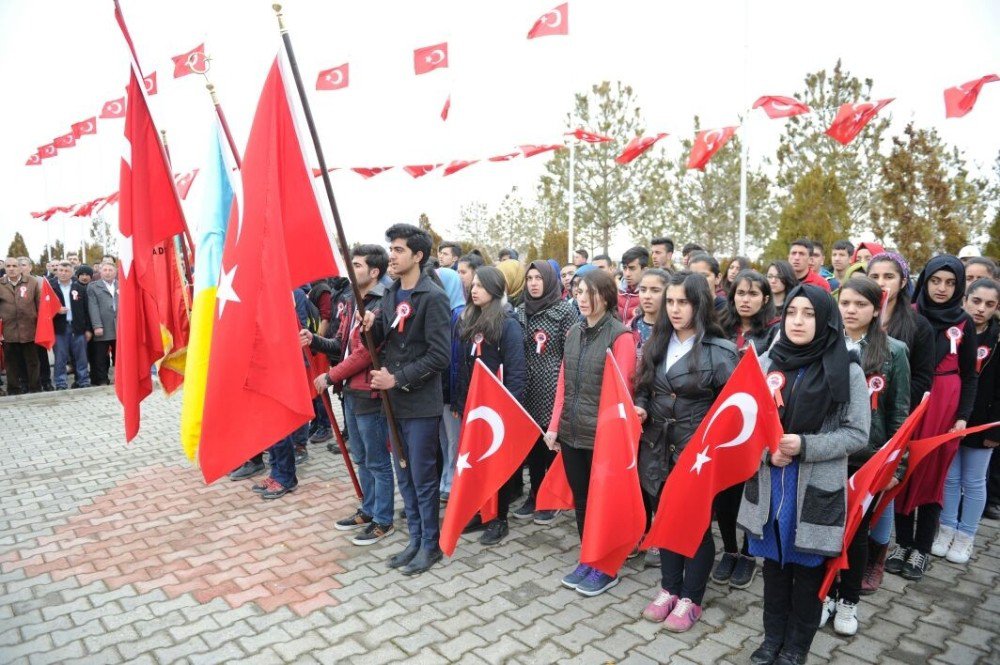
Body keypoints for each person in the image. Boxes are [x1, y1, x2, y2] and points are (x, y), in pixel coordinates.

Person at [739, 284, 870, 665]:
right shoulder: (765, 362)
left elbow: (857, 433)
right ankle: (771, 640)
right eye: (792, 312)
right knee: (775, 571)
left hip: (813, 489)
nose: (797, 321)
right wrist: (767, 453)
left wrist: (806, 446)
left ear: (826, 318)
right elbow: (744, 425)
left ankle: (796, 648)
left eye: (809, 314)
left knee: (808, 575)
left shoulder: (847, 369)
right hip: (769, 485)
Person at [635, 272, 738, 632]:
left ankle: (691, 597)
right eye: (671, 302)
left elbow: (733, 408)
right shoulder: (656, 342)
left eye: (684, 302)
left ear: (700, 304)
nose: (676, 309)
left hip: (697, 456)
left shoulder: (720, 351)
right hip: (656, 448)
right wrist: (641, 406)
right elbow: (643, 385)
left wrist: (709, 443)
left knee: (694, 527)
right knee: (664, 519)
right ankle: (669, 589)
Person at [820, 277, 909, 637]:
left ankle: (848, 600)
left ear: (876, 309)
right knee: (826, 529)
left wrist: (896, 466)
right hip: (828, 453)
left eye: (861, 304)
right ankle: (826, 593)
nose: (852, 310)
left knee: (855, 533)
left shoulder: (895, 351)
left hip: (869, 458)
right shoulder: (826, 343)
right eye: (846, 303)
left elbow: (900, 414)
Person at [364, 223, 451, 576]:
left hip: (419, 403)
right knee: (404, 476)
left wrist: (397, 378)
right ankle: (414, 539)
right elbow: (388, 337)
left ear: (417, 255)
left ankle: (431, 545)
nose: (392, 256)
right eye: (391, 249)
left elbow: (440, 356)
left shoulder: (433, 297)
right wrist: (371, 323)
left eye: (398, 250)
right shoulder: (391, 294)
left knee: (422, 476)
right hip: (392, 403)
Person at [544, 269, 637, 596]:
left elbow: (622, 393)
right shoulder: (573, 333)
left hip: (603, 438)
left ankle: (606, 566)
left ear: (607, 296)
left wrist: (611, 437)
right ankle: (589, 556)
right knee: (583, 500)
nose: (582, 298)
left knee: (603, 502)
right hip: (571, 432)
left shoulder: (620, 337)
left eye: (589, 292)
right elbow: (563, 384)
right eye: (578, 292)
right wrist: (554, 425)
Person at [889, 256, 977, 582]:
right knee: (904, 470)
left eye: (950, 282)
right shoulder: (909, 316)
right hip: (912, 400)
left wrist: (963, 417)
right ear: (924, 281)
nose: (941, 288)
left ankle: (922, 548)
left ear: (958, 287)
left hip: (945, 407)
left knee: (933, 474)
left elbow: (970, 376)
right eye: (935, 281)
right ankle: (903, 544)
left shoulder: (965, 323)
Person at [306, 244, 395, 544]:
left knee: (377, 460)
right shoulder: (350, 300)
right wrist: (314, 339)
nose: (351, 269)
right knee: (360, 455)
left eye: (357, 265)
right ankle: (368, 509)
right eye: (351, 264)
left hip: (369, 394)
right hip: (350, 393)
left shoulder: (382, 304)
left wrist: (330, 376)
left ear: (374, 271)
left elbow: (364, 354)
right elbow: (341, 344)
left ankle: (383, 518)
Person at [711, 269, 780, 591]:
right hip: (723, 421)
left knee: (751, 494)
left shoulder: (774, 334)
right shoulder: (720, 328)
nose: (746, 300)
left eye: (753, 294)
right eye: (740, 293)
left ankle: (751, 553)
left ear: (765, 298)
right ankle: (731, 550)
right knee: (724, 494)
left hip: (755, 426)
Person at [452, 267, 526, 545]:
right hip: (473, 406)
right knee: (476, 461)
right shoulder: (470, 319)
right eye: (474, 284)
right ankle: (481, 512)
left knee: (497, 464)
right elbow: (465, 366)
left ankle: (499, 519)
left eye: (482, 286)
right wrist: (461, 401)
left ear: (495, 290)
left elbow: (517, 372)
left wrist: (510, 408)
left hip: (498, 409)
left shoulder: (508, 324)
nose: (474, 289)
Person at [934, 278, 1000, 564]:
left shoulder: (997, 339)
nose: (981, 309)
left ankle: (966, 535)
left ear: (997, 307)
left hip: (984, 422)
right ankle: (946, 528)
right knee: (950, 477)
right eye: (976, 301)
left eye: (989, 304)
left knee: (973, 481)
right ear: (965, 300)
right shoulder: (956, 331)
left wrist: (996, 429)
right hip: (954, 415)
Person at [514, 260, 577, 524]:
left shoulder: (564, 311)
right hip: (526, 388)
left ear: (550, 280)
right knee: (532, 446)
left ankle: (551, 497)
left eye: (539, 278)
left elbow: (570, 353)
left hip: (552, 386)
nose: (534, 283)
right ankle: (535, 493)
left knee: (550, 444)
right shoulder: (519, 311)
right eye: (529, 279)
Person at [437, 266, 467, 501]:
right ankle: (445, 479)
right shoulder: (442, 311)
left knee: (453, 440)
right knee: (444, 439)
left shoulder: (458, 315)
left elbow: (456, 360)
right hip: (439, 390)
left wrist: (455, 396)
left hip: (450, 391)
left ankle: (452, 482)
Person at [0, 256, 41, 394]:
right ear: (4, 268)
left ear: (20, 267)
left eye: (14, 266)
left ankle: (35, 388)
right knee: (11, 364)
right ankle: (13, 389)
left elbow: (39, 305)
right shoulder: (0, 284)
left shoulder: (32, 282)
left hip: (29, 330)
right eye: (8, 266)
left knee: (33, 362)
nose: (11, 269)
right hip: (9, 332)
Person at [51, 261, 91, 390]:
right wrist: (55, 311)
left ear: (72, 273)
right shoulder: (51, 288)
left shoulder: (79, 288)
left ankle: (83, 380)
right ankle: (61, 383)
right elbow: (44, 309)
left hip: (78, 328)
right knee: (60, 357)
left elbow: (87, 310)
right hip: (59, 328)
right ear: (57, 272)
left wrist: (89, 329)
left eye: (66, 271)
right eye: (60, 270)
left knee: (81, 356)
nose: (63, 273)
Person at [87, 262, 118, 386]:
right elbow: (92, 307)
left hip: (120, 327)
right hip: (103, 327)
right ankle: (102, 380)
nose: (108, 272)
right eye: (105, 270)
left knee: (119, 356)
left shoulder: (122, 285)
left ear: (115, 272)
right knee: (100, 356)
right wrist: (97, 325)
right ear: (100, 272)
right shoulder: (93, 286)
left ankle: (120, 379)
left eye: (110, 270)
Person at [633, 269, 669, 356]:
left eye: (655, 290)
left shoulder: (675, 330)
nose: (647, 296)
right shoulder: (629, 329)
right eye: (643, 290)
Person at [618, 246, 648, 326]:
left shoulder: (650, 296)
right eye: (624, 268)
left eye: (632, 268)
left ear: (644, 270)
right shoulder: (616, 292)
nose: (627, 274)